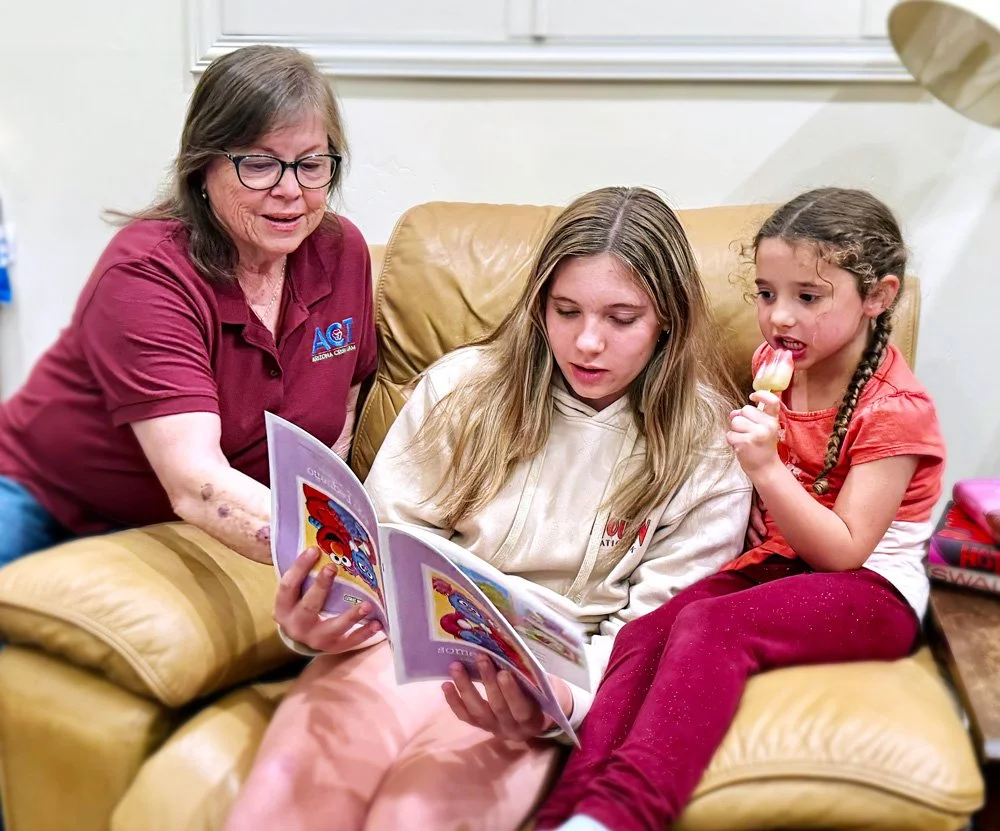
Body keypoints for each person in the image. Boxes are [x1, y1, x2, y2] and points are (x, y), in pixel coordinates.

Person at [224, 186, 753, 831]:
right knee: (290, 804)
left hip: (537, 683)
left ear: (667, 319)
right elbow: (384, 548)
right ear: (539, 306)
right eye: (566, 311)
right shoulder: (462, 387)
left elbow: (655, 636)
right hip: (400, 648)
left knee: (412, 818)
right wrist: (319, 622)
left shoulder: (709, 448)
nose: (588, 342)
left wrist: (562, 702)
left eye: (622, 319)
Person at [536, 187, 946, 831]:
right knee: (643, 635)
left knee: (712, 628)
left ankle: (623, 814)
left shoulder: (896, 410)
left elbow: (844, 551)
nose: (779, 317)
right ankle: (569, 811)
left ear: (878, 296)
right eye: (765, 292)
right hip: (780, 563)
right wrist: (761, 495)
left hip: (871, 589)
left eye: (808, 297)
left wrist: (768, 474)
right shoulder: (774, 364)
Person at [0, 45, 376, 566]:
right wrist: (347, 563)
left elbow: (347, 403)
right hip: (48, 497)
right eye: (260, 164)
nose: (291, 190)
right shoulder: (145, 273)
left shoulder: (341, 252)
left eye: (311, 165)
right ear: (202, 167)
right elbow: (197, 483)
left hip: (213, 518)